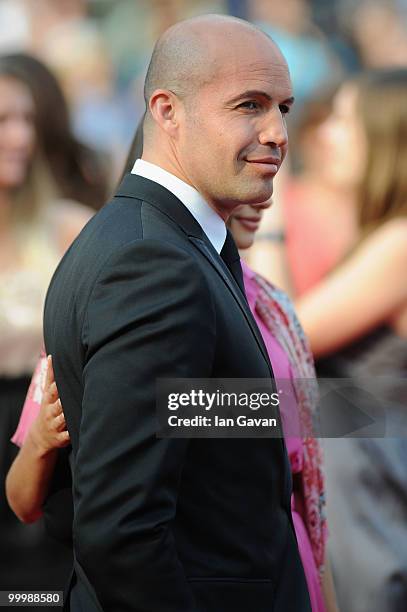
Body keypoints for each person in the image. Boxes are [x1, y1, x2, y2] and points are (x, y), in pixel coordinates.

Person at [41, 14, 310, 612]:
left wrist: (358, 408)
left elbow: (192, 428)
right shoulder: (152, 263)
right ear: (166, 110)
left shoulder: (160, 242)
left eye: (284, 108)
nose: (276, 132)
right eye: (249, 105)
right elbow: (121, 533)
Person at [268, 69, 407, 611]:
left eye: (345, 122)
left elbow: (287, 341)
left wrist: (272, 223)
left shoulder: (399, 242)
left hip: (376, 498)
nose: (326, 135)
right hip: (361, 486)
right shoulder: (381, 235)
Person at [0, 52, 95, 591]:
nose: (19, 138)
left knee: (38, 596)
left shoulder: (67, 228)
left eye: (26, 120)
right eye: (3, 121)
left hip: (47, 439)